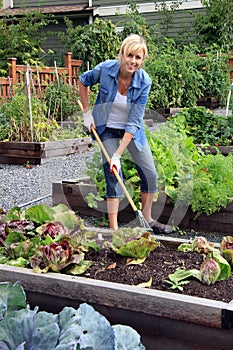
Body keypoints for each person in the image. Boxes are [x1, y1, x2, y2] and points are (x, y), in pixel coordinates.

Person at [78, 34, 173, 234]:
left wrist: (118, 155)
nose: (133, 61)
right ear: (122, 54)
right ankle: (114, 230)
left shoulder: (144, 82)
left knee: (150, 173)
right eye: (130, 55)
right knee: (113, 175)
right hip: (107, 129)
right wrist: (87, 113)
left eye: (138, 57)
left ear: (143, 60)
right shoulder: (105, 69)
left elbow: (133, 122)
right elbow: (83, 81)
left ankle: (146, 220)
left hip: (131, 130)